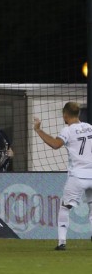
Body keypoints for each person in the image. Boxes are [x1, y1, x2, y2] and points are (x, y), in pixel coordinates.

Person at [34, 102, 92, 251]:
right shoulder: (89, 127)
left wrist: (38, 130)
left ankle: (61, 243)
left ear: (65, 115)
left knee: (65, 207)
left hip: (78, 176)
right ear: (78, 114)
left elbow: (55, 144)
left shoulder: (68, 130)